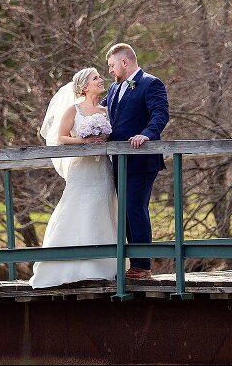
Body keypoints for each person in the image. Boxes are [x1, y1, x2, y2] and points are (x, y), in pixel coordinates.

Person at [30, 68, 117, 288]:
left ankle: (102, 266)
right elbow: (61, 137)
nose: (100, 80)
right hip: (82, 169)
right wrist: (84, 142)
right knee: (77, 208)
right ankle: (65, 265)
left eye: (99, 77)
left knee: (103, 210)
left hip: (102, 169)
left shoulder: (106, 110)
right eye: (95, 78)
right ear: (84, 86)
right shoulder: (74, 109)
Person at [102, 43, 169, 280]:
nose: (110, 70)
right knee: (125, 212)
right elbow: (99, 115)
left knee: (134, 208)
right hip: (118, 161)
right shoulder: (112, 89)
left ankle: (143, 265)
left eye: (111, 65)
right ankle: (135, 265)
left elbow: (161, 113)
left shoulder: (151, 83)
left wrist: (147, 134)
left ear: (124, 62)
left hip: (142, 159)